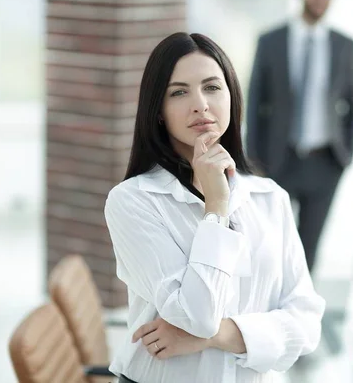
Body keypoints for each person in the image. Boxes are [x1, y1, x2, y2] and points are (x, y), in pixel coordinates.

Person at [103, 32, 325, 383]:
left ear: (232, 97)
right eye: (179, 92)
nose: (200, 104)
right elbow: (197, 314)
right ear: (158, 112)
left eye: (211, 87)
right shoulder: (133, 201)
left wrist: (219, 336)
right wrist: (216, 206)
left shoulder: (269, 198)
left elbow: (306, 323)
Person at [246, 0, 353, 271]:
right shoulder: (271, 41)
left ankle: (300, 315)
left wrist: (346, 156)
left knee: (308, 255)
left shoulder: (343, 45)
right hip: (278, 161)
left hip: (325, 163)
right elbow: (254, 102)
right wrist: (254, 159)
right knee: (270, 249)